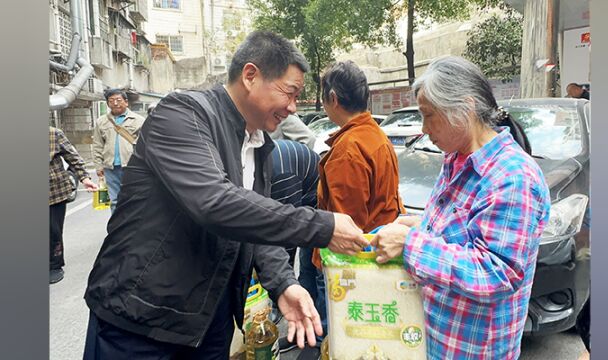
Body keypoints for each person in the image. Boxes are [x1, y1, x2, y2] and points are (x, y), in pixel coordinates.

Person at [82, 31, 368, 360]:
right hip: (140, 320)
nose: (292, 107)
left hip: (208, 320)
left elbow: (253, 225)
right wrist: (324, 226)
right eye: (289, 93)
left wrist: (284, 284)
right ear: (250, 76)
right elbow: (216, 203)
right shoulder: (182, 115)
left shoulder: (260, 147)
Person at [371, 56, 551, 360]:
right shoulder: (456, 159)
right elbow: (461, 235)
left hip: (472, 349)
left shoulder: (513, 177)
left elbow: (497, 273)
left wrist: (410, 245)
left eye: (429, 116)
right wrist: (421, 226)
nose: (425, 129)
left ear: (465, 109)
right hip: (436, 337)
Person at [311, 60, 406, 340]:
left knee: (343, 336)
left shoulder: (349, 148)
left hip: (352, 264)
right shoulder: (374, 133)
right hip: (378, 250)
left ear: (333, 99)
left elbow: (345, 225)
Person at [268, 140, 324, 354]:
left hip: (317, 207)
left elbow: (285, 235)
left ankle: (317, 339)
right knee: (306, 273)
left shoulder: (281, 174)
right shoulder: (257, 163)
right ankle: (302, 330)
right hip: (302, 200)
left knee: (316, 271)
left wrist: (280, 287)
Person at [49, 127, 98, 284]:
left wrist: (84, 178)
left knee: (52, 231)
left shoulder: (53, 133)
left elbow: (73, 157)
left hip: (53, 192)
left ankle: (54, 265)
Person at [92, 89, 145, 212]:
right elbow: (97, 145)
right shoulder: (101, 122)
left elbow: (145, 145)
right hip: (110, 168)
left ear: (126, 102)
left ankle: (133, 229)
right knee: (114, 200)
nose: (115, 103)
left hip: (131, 166)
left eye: (118, 100)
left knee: (133, 199)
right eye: (111, 101)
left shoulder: (138, 120)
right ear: (108, 103)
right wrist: (98, 166)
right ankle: (117, 229)